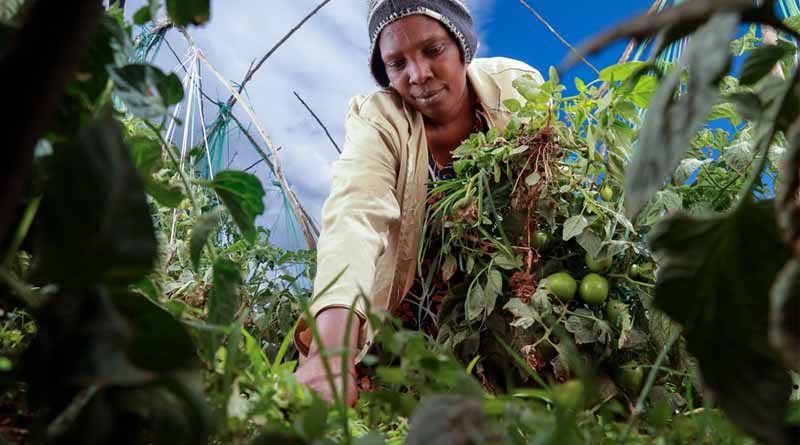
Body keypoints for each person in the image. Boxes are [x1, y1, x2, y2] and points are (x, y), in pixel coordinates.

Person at [294, 0, 543, 406]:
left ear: (462, 45)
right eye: (397, 63)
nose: (419, 75)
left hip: (504, 295)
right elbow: (355, 214)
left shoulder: (516, 89)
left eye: (433, 50)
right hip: (408, 303)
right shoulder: (379, 120)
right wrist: (330, 356)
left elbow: (546, 198)